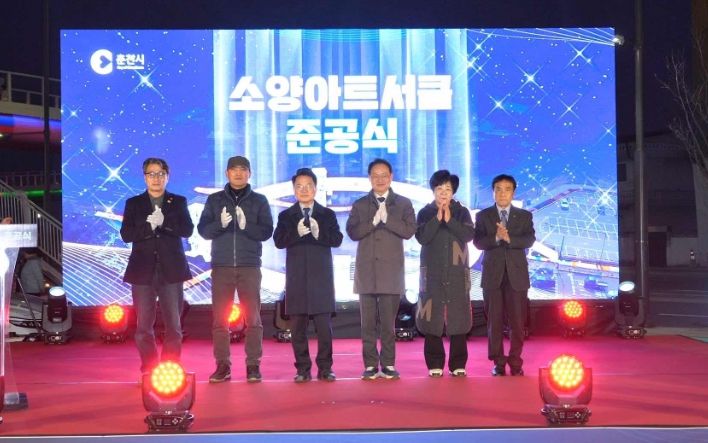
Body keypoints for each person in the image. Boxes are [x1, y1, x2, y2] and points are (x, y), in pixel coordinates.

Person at [198, 155, 273, 383]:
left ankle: (253, 365)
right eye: (234, 169)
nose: (238, 173)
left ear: (249, 173)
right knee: (220, 320)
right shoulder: (215, 200)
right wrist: (220, 224)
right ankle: (223, 365)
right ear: (227, 173)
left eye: (243, 169)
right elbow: (203, 231)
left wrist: (245, 225)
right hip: (221, 267)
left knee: (253, 319)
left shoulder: (259, 201)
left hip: (249, 265)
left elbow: (266, 232)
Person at [120, 157, 194, 375]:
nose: (156, 178)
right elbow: (126, 235)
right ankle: (149, 369)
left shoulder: (177, 201)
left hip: (171, 270)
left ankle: (170, 369)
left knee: (174, 326)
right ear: (144, 177)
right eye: (151, 174)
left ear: (167, 177)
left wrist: (164, 223)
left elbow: (187, 230)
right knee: (143, 327)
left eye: (160, 174)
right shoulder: (134, 203)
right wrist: (149, 226)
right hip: (142, 271)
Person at [346, 158, 416, 380]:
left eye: (384, 175)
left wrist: (388, 220)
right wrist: (373, 222)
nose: (380, 179)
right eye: (375, 175)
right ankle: (369, 364)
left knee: (388, 324)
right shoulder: (360, 204)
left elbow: (409, 231)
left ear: (391, 177)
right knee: (367, 324)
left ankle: (388, 364)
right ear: (369, 178)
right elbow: (353, 232)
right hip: (366, 273)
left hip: (391, 274)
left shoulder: (403, 203)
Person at [273, 168, 343, 383]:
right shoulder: (286, 215)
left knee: (324, 329)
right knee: (298, 329)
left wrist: (318, 233)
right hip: (296, 279)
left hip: (321, 279)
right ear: (294, 190)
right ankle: (302, 369)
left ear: (315, 188)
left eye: (308, 186)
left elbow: (337, 240)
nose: (304, 190)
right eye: (299, 186)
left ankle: (325, 368)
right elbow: (278, 241)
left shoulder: (327, 214)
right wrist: (296, 233)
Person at [473, 174, 535, 376]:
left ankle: (516, 362)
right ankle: (498, 363)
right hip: (493, 275)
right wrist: (496, 238)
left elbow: (529, 240)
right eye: (498, 189)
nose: (502, 193)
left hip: (517, 276)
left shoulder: (524, 216)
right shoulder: (483, 216)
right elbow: (478, 243)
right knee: (494, 322)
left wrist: (509, 239)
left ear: (513, 192)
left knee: (517, 322)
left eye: (507, 189)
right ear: (493, 192)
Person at [415, 170, 475, 377]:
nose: (443, 192)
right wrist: (437, 219)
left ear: (453, 192)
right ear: (433, 190)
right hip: (432, 274)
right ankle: (435, 363)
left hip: (457, 273)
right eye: (439, 188)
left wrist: (450, 220)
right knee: (432, 316)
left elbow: (468, 235)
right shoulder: (425, 212)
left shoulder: (462, 212)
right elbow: (422, 238)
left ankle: (458, 363)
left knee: (458, 317)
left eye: (447, 189)